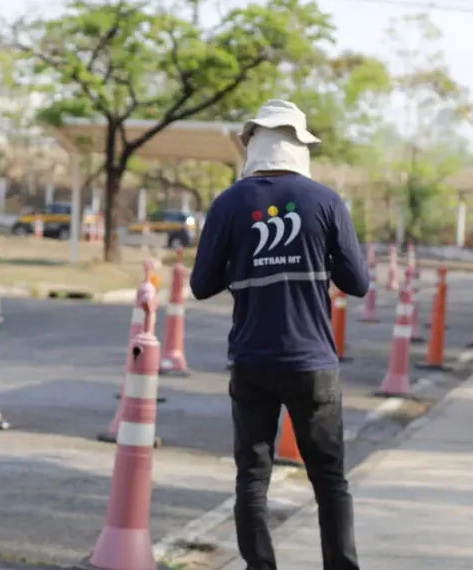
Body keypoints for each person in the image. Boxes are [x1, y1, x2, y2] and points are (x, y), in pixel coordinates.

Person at [190, 99, 370, 570]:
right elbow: (359, 284)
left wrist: (244, 261)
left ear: (253, 144)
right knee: (330, 481)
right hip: (313, 364)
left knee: (253, 481)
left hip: (252, 361)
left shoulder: (229, 204)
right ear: (299, 147)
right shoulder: (326, 201)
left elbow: (201, 285)